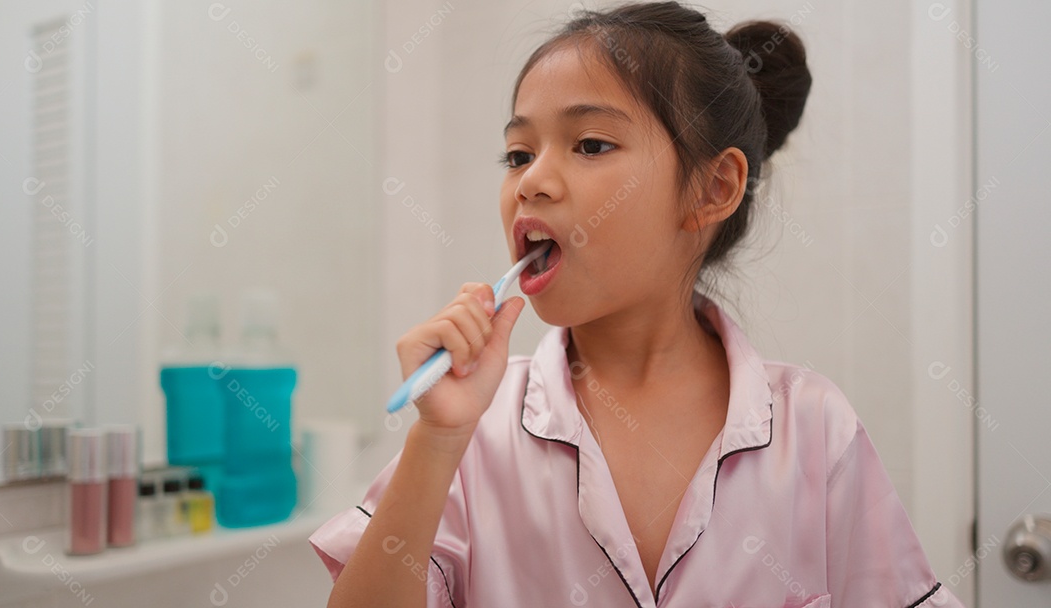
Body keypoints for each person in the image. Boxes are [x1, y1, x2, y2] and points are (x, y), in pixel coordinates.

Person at [311, 2, 966, 606]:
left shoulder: (817, 432)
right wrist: (437, 440)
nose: (531, 181)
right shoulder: (471, 434)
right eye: (517, 153)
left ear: (713, 188)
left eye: (590, 144)